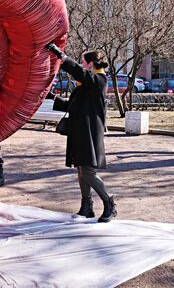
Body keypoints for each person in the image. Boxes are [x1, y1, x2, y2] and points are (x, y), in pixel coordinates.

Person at [45, 43, 117, 223]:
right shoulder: (86, 84)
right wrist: (52, 96)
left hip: (90, 132)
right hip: (80, 131)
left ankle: (109, 203)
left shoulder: (99, 80)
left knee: (87, 171)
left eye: (84, 62)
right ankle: (87, 207)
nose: (81, 65)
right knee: (81, 169)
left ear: (91, 64)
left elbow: (80, 72)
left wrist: (61, 56)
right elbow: (71, 105)